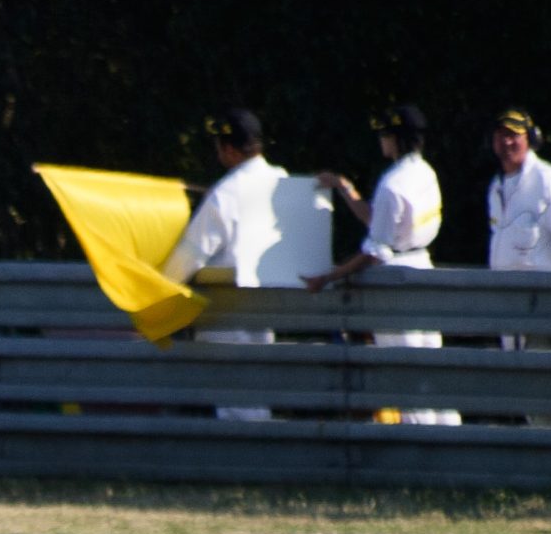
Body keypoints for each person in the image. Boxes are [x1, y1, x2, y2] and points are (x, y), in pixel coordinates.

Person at [306, 105, 459, 425]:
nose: (381, 141)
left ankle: (422, 460)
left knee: (404, 374)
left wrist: (330, 276)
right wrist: (344, 186)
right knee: (432, 370)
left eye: (385, 134)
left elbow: (376, 250)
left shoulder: (392, 183)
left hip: (396, 279)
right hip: (423, 267)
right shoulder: (425, 172)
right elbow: (380, 221)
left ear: (398, 139)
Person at [162, 108, 288, 421]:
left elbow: (192, 252)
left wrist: (159, 291)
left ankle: (243, 464)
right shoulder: (282, 180)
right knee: (258, 390)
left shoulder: (225, 193)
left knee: (233, 398)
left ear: (229, 149)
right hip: (270, 302)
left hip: (227, 305)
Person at [486, 108, 551, 425]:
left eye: (514, 135)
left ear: (530, 140)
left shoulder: (548, 181)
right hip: (511, 311)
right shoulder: (496, 186)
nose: (507, 142)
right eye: (501, 135)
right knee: (528, 398)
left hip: (543, 309)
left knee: (546, 396)